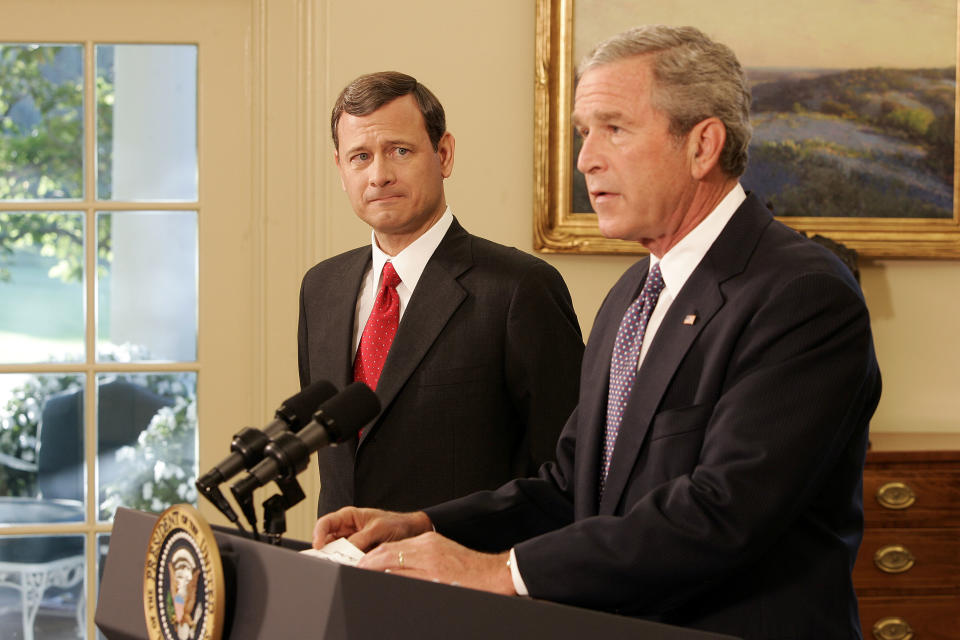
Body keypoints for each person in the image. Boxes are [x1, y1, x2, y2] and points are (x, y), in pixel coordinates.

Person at [312, 27, 882, 639]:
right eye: (584, 133)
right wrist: (425, 525)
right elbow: (568, 487)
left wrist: (500, 570)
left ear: (703, 145)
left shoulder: (800, 293)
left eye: (614, 128)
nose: (585, 159)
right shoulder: (631, 295)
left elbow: (724, 512)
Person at [299, 71, 584, 516]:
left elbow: (565, 472)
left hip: (460, 576)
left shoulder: (519, 289)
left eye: (399, 151)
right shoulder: (320, 288)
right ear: (340, 169)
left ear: (444, 155)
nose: (379, 175)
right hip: (344, 570)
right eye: (360, 156)